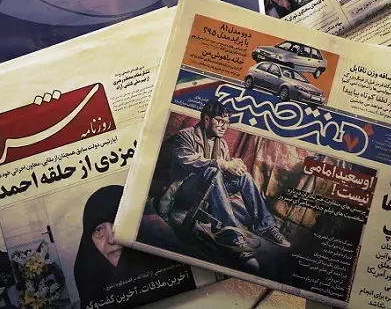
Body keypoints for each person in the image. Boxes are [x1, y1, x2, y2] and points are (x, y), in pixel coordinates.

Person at [157, 100, 290, 252]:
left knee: (244, 176)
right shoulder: (185, 135)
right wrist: (222, 164)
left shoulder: (222, 145)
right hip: (184, 193)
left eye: (226, 123)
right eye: (220, 121)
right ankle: (231, 235)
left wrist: (235, 165)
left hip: (209, 194)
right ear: (207, 119)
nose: (224, 127)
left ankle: (265, 226)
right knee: (211, 171)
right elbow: (189, 161)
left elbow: (224, 170)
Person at [74, 185, 188, 307]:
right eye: (98, 230)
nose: (111, 239)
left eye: (119, 224)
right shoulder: (90, 290)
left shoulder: (173, 269)